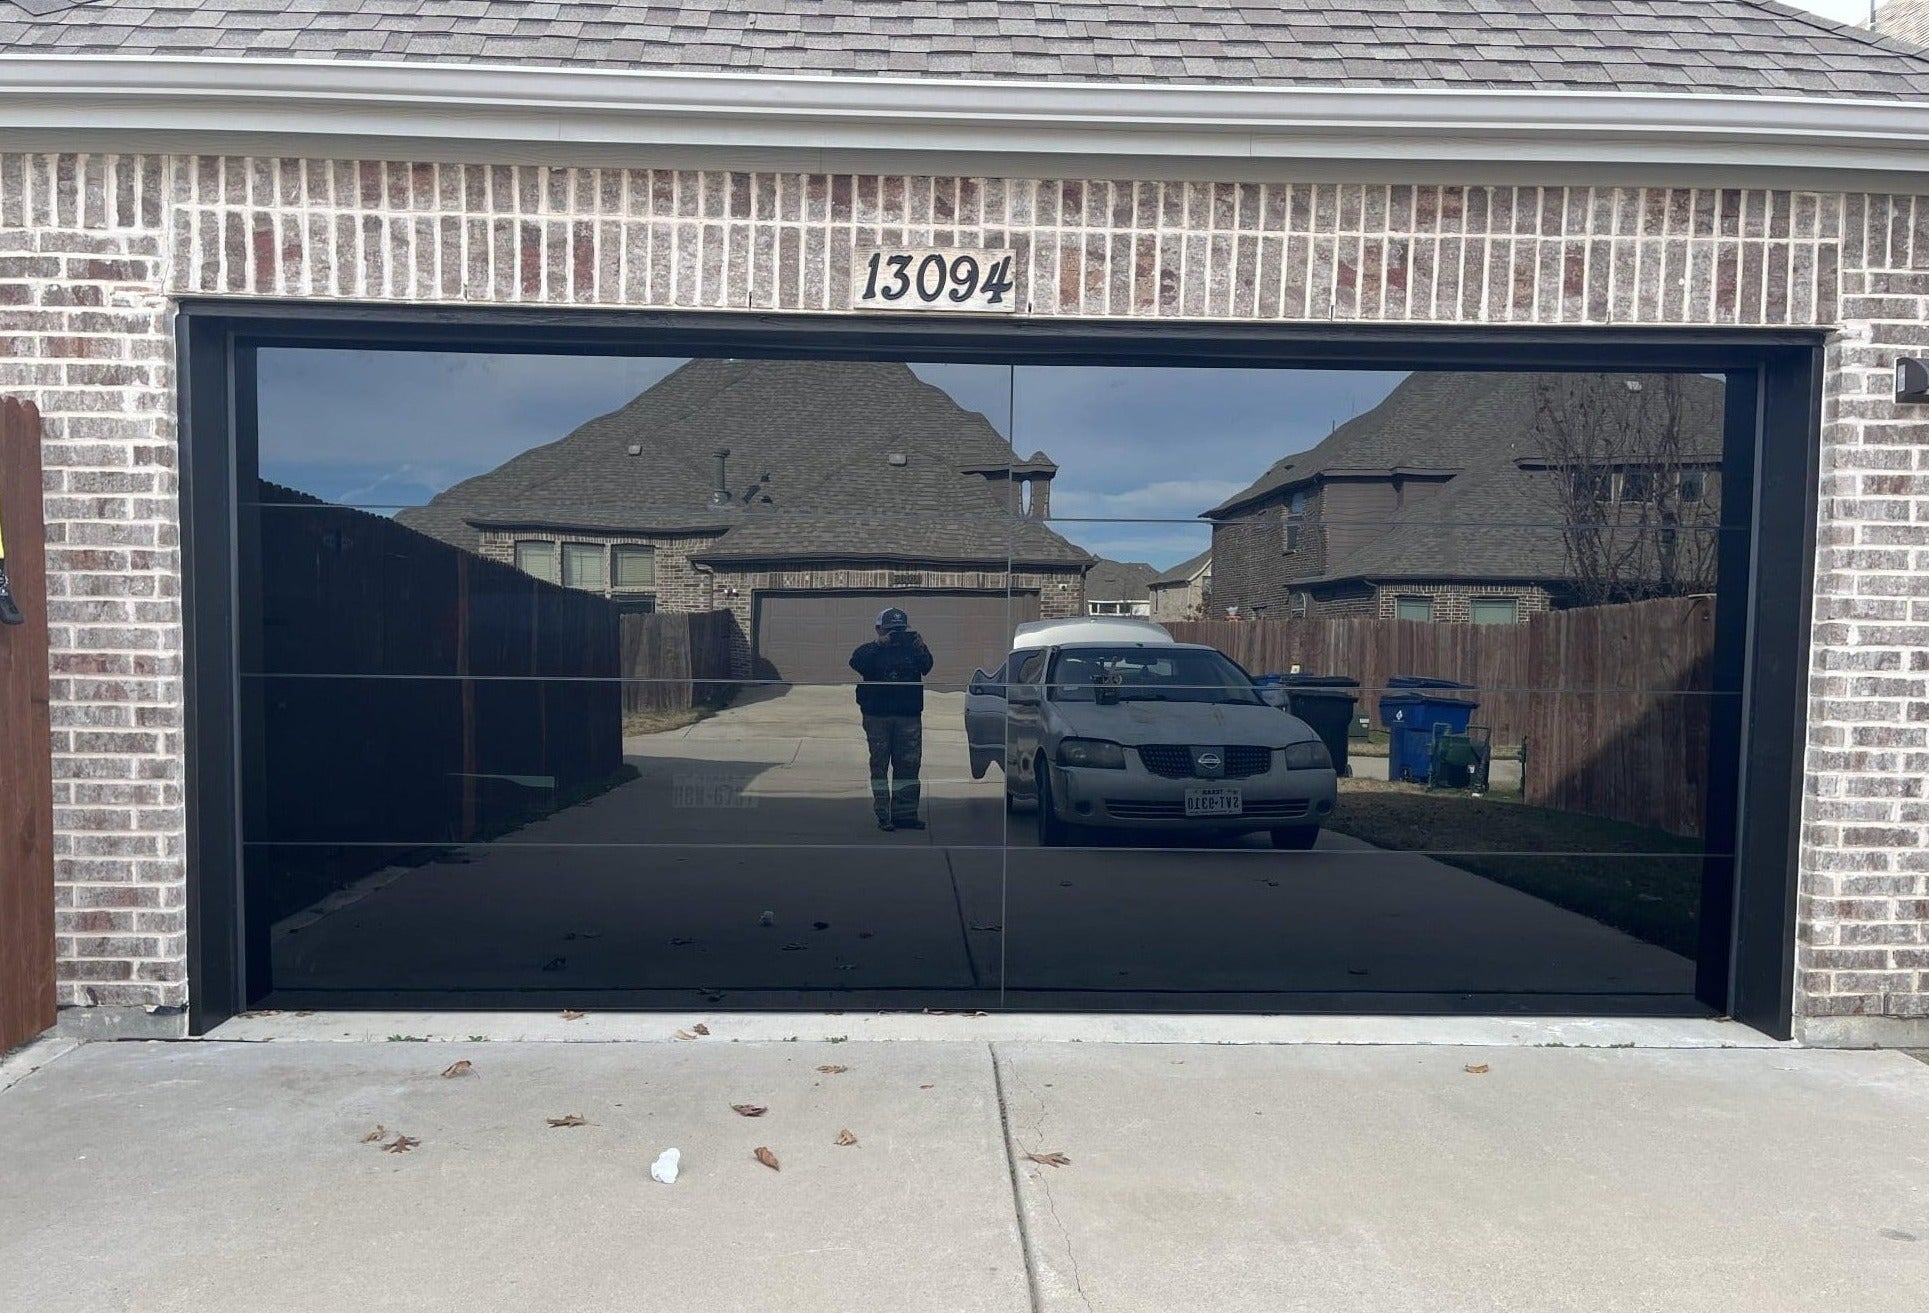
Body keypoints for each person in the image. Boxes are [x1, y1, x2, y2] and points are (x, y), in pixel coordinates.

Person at [848, 607, 934, 832]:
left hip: (908, 716)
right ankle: (883, 815)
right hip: (878, 716)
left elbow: (927, 667)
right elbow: (855, 662)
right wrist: (879, 645)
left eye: (900, 630)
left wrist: (921, 648)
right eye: (890, 631)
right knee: (880, 766)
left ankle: (905, 815)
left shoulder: (913, 650)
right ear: (879, 629)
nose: (896, 635)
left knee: (908, 765)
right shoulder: (871, 650)